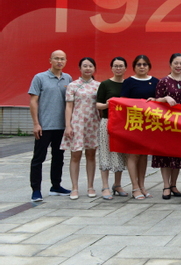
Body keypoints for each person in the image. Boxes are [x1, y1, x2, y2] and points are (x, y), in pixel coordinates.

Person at [29, 50, 73, 201]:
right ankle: (36, 190)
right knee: (38, 158)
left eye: (62, 59)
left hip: (61, 126)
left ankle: (56, 186)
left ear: (66, 61)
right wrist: (36, 123)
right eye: (56, 58)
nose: (59, 61)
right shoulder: (40, 77)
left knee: (58, 158)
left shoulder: (68, 78)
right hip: (44, 126)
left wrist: (69, 125)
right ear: (50, 60)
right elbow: (33, 101)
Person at [61, 57, 101, 200]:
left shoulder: (98, 85)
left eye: (90, 66)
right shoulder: (73, 85)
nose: (88, 68)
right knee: (75, 155)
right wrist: (68, 125)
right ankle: (74, 188)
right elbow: (69, 106)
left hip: (93, 123)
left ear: (94, 68)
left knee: (91, 154)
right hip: (77, 123)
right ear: (80, 68)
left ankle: (90, 186)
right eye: (85, 66)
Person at [121, 55, 159, 199]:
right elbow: (123, 102)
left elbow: (159, 100)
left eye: (144, 64)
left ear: (149, 66)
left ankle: (142, 185)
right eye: (139, 64)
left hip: (148, 124)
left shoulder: (155, 81)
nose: (142, 67)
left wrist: (155, 100)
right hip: (133, 123)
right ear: (134, 66)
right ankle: (135, 187)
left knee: (143, 155)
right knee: (133, 154)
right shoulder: (129, 82)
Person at [151, 53, 181, 200]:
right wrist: (165, 98)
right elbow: (156, 101)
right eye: (175, 63)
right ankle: (166, 185)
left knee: (177, 156)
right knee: (165, 156)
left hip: (180, 125)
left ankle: (174, 184)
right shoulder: (163, 81)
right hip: (165, 125)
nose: (178, 66)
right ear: (170, 64)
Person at [95, 57, 129, 200]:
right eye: (116, 66)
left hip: (122, 123)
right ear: (111, 68)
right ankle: (105, 186)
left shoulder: (128, 84)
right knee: (105, 152)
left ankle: (117, 184)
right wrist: (107, 105)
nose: (118, 68)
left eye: (121, 66)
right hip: (107, 121)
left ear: (126, 68)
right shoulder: (105, 84)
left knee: (120, 153)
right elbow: (98, 104)